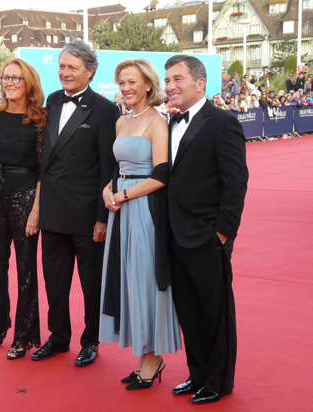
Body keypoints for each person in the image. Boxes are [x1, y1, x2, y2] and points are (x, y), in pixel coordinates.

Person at [164, 54, 248, 404]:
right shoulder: (168, 123)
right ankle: (197, 373)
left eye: (178, 79)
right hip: (172, 235)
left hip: (206, 236)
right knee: (188, 310)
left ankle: (218, 380)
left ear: (200, 83)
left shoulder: (222, 122)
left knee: (214, 312)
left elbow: (236, 182)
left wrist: (222, 234)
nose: (170, 86)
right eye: (167, 80)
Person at [31, 40, 119, 367]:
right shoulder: (51, 101)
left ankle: (91, 340)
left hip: (86, 214)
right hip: (53, 211)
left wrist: (102, 219)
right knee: (54, 280)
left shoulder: (105, 110)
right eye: (62, 66)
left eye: (72, 67)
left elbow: (108, 170)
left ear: (90, 71)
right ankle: (57, 336)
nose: (65, 73)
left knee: (91, 284)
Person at [99, 58, 181, 390]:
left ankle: (153, 356)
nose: (126, 88)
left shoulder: (157, 122)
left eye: (132, 82)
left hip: (144, 209)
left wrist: (125, 194)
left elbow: (162, 174)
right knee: (127, 280)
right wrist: (109, 188)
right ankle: (145, 355)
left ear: (148, 84)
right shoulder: (121, 122)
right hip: (121, 208)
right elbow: (117, 167)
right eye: (121, 83)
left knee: (146, 280)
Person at [0, 58, 47, 359]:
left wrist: (36, 210)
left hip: (25, 196)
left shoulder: (39, 118)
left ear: (28, 82)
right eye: (5, 77)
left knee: (25, 268)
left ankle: (24, 335)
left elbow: (44, 169)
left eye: (15, 78)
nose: (8, 83)